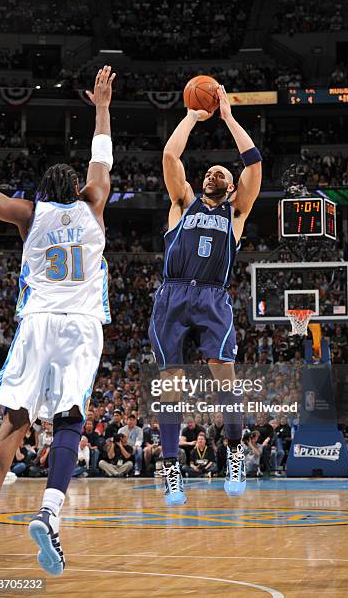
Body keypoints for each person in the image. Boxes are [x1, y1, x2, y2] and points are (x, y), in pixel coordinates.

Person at [0, 65, 115, 575]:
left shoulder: (26, 214)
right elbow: (101, 157)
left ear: (41, 191)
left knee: (13, 425)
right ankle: (49, 515)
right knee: (70, 420)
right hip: (80, 326)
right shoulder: (95, 204)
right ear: (78, 189)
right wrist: (101, 105)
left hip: (36, 324)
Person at [149, 85, 262, 504]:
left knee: (225, 381)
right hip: (173, 297)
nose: (215, 174)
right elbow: (170, 157)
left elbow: (253, 162)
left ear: (232, 188)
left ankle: (234, 450)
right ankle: (172, 467)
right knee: (172, 385)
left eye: (223, 174)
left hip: (213, 299)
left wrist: (229, 118)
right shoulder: (183, 203)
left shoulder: (236, 213)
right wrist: (193, 117)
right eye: (211, 171)